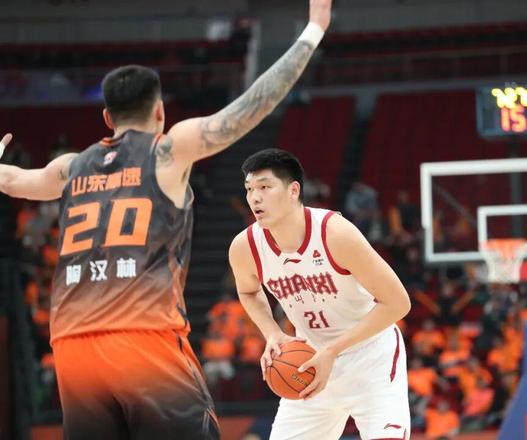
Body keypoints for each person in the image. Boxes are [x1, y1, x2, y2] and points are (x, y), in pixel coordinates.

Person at [0, 1, 333, 438]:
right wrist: (312, 31)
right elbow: (251, 106)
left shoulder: (72, 166)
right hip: (142, 338)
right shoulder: (166, 152)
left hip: (72, 346)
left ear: (107, 118)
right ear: (159, 112)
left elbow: (13, 180)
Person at [228, 149, 411, 439]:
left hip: (370, 358)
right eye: (249, 189)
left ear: (293, 191)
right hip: (308, 361)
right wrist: (272, 334)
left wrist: (333, 350)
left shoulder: (336, 234)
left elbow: (398, 303)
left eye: (264, 187)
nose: (254, 198)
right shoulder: (244, 247)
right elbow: (248, 291)